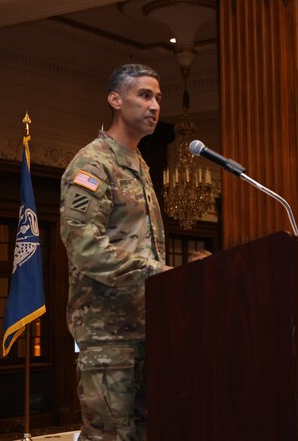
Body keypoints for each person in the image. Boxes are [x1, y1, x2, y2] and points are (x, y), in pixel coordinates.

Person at [60, 63, 171, 441]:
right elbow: (83, 247)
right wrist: (154, 273)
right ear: (115, 100)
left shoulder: (140, 165)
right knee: (110, 437)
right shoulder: (93, 164)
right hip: (109, 335)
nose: (154, 105)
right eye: (144, 95)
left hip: (148, 327)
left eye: (158, 97)